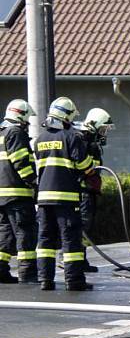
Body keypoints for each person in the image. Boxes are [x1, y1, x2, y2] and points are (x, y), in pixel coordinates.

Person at [34, 97, 98, 291]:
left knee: (45, 240)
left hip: (44, 199)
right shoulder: (72, 137)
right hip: (66, 198)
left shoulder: (40, 139)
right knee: (70, 240)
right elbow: (82, 164)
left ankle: (45, 280)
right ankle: (74, 281)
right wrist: (92, 171)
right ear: (66, 116)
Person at [0, 100, 38, 284]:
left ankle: (0, 270)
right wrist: (33, 182)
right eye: (27, 118)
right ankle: (28, 272)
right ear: (21, 116)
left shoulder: (1, 132)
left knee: (5, 233)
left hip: (2, 195)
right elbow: (21, 161)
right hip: (17, 194)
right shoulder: (15, 133)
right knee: (25, 231)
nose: (28, 123)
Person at [76, 108, 114, 272]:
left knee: (86, 227)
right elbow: (84, 168)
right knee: (82, 226)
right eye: (103, 129)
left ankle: (80, 260)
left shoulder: (90, 142)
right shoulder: (85, 142)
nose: (104, 133)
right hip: (83, 191)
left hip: (88, 191)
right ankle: (73, 260)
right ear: (93, 126)